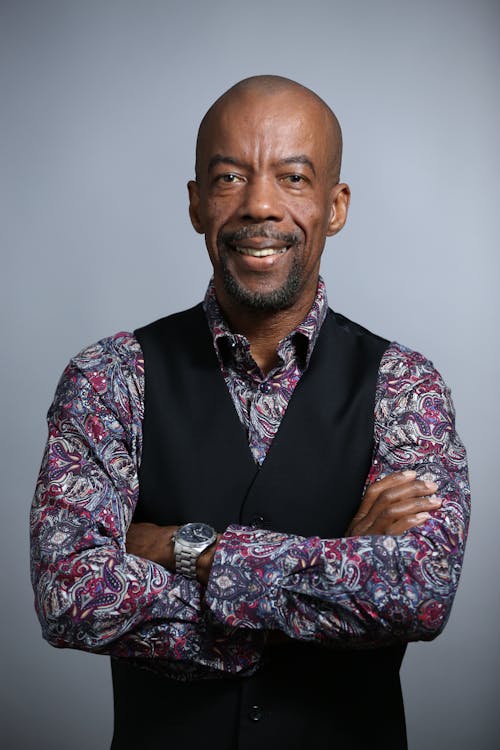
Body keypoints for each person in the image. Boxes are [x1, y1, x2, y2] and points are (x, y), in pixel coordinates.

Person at [30, 75, 470, 749]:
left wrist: (182, 548)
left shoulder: (405, 386)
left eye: (293, 177)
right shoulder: (111, 376)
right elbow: (72, 596)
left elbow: (418, 591)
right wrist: (331, 584)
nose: (259, 205)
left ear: (336, 204)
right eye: (231, 177)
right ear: (197, 204)